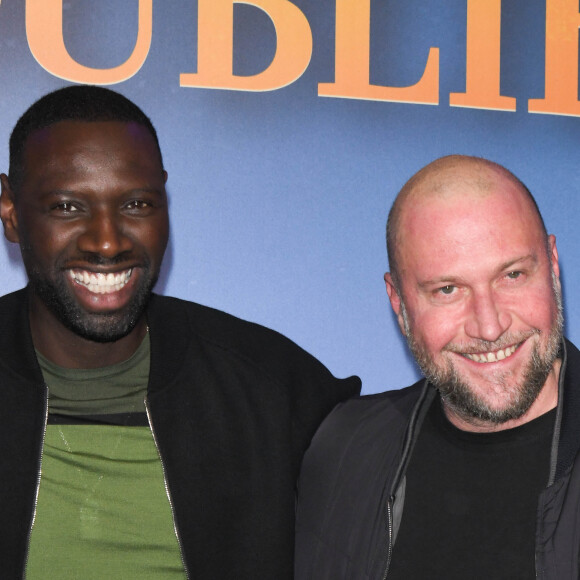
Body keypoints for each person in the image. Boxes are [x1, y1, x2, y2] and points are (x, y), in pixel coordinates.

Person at [0, 85, 360, 579]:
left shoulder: (273, 389)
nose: (107, 242)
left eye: (136, 205)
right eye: (67, 207)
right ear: (11, 212)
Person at [295, 155, 580, 580]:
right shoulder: (343, 450)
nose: (489, 325)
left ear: (552, 265)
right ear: (398, 301)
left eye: (513, 275)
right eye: (448, 289)